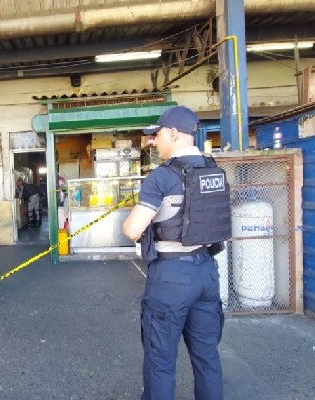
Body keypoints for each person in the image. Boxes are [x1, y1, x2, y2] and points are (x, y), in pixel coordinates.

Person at [122, 106, 231, 400]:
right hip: (207, 273)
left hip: (171, 277)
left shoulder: (162, 177)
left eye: (157, 135)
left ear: (173, 133)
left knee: (160, 361)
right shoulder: (215, 171)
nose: (153, 142)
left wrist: (135, 210)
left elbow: (133, 230)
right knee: (207, 357)